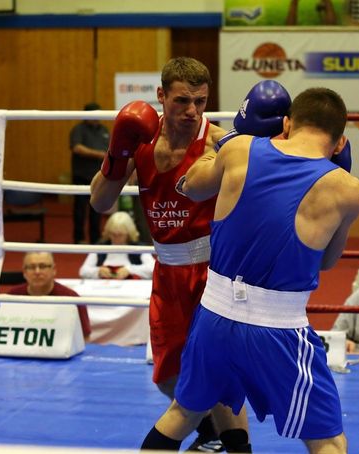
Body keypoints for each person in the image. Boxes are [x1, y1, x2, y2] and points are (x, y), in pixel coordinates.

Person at [139, 87, 359, 453]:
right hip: (279, 328)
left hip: (214, 316)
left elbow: (190, 187)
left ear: (287, 123)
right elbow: (325, 261)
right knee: (328, 440)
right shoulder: (346, 188)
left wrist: (224, 142)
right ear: (340, 144)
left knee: (184, 412)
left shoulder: (239, 149)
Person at [90, 58, 293, 452]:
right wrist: (117, 153)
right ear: (161, 96)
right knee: (168, 377)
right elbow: (100, 202)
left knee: (221, 375)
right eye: (182, 101)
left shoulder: (220, 142)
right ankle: (211, 434)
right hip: (167, 273)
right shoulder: (139, 141)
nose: (192, 111)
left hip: (214, 272)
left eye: (200, 101)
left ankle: (235, 446)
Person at [8, 252, 91, 339]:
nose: (37, 272)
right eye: (32, 267)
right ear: (24, 272)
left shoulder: (71, 299)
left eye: (43, 266)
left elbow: (85, 338)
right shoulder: (12, 296)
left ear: (54, 270)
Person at [71, 102, 110, 244]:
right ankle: (79, 238)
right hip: (82, 174)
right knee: (80, 209)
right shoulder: (79, 129)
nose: (97, 117)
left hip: (99, 176)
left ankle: (95, 238)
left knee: (97, 208)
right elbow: (77, 148)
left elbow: (110, 149)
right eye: (95, 114)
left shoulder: (104, 130)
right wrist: (98, 154)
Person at [79, 211, 155, 280]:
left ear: (128, 233)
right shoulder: (101, 247)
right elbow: (83, 271)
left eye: (120, 235)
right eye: (113, 234)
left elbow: (153, 268)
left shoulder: (138, 248)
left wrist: (130, 270)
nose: (116, 238)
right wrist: (98, 271)